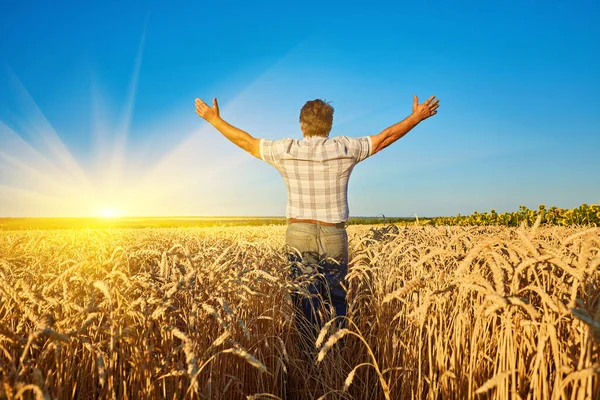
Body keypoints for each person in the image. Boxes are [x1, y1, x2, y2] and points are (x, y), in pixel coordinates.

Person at [195, 95, 440, 341]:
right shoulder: (345, 147)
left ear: (302, 125)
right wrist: (416, 117)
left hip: (299, 234)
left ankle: (307, 355)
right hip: (334, 233)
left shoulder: (286, 150)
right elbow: (386, 137)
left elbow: (246, 142)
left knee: (304, 298)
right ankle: (336, 352)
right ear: (329, 125)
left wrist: (214, 119)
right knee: (337, 298)